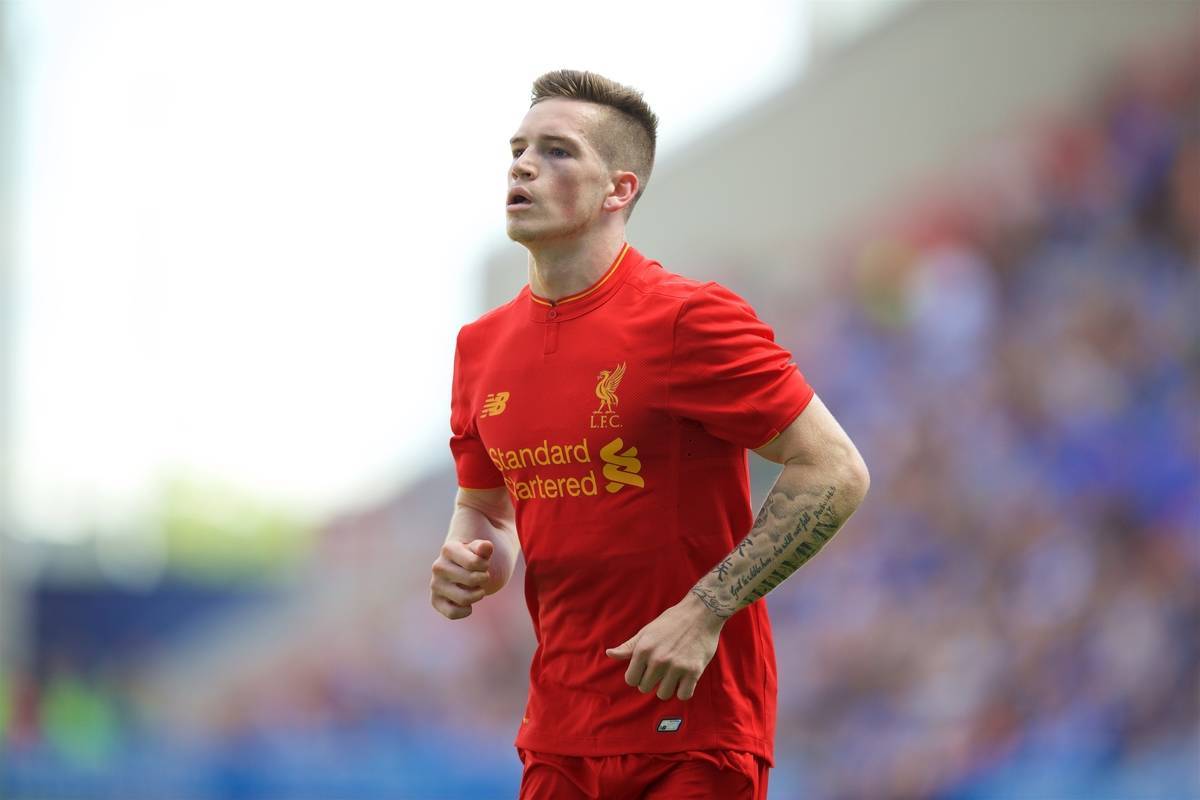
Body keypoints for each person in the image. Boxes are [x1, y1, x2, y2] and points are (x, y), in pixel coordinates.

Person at [430, 70, 870, 799]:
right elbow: (486, 509)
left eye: (558, 151)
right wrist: (472, 556)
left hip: (692, 734)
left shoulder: (686, 319)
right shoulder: (480, 347)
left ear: (619, 189)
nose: (522, 164)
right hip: (559, 734)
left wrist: (705, 610)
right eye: (518, 148)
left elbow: (834, 470)